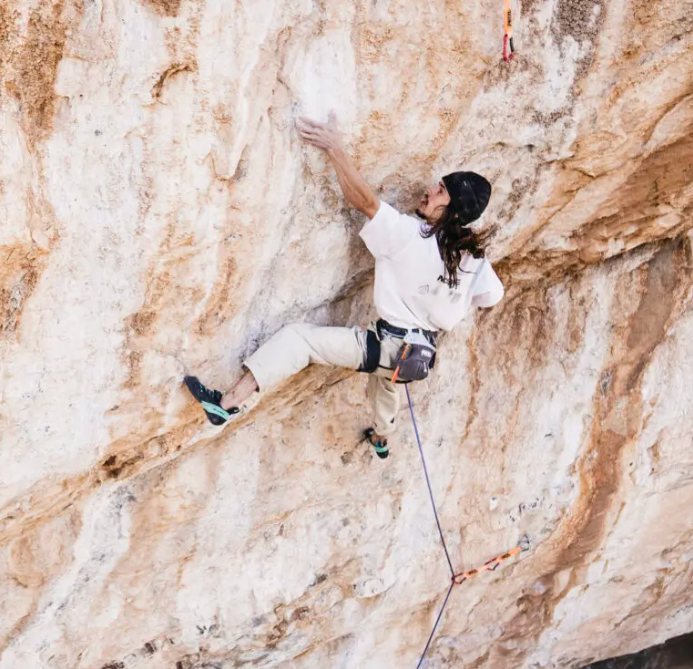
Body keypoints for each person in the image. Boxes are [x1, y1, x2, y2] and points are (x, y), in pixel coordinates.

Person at [184, 116, 503, 458]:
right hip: (419, 357)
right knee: (387, 382)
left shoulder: (411, 235)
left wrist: (335, 148)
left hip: (391, 345)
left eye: (440, 190)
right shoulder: (474, 261)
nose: (429, 190)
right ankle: (381, 439)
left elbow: (365, 201)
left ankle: (227, 403)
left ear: (451, 209)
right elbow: (491, 298)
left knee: (299, 339)